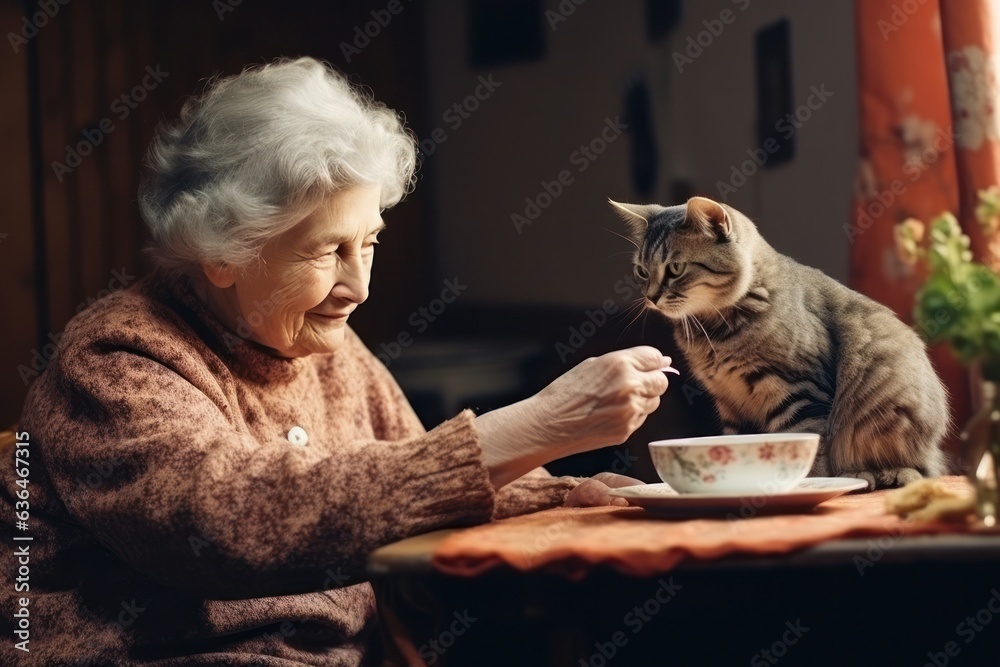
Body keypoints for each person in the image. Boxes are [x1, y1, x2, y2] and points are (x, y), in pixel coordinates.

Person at [0, 57, 671, 666]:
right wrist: (539, 423)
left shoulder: (323, 345)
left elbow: (415, 485)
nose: (360, 287)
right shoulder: (115, 358)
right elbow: (232, 521)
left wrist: (569, 493)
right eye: (328, 252)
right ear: (224, 252)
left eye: (369, 242)